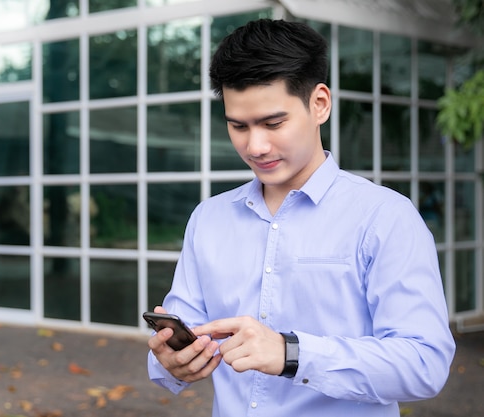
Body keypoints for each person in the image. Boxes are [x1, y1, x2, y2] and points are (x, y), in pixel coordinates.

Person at [146, 19, 455, 416]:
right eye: (238, 126)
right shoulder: (208, 219)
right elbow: (179, 338)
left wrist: (292, 354)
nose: (255, 146)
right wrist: (170, 364)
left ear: (319, 104)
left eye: (274, 123)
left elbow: (424, 364)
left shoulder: (385, 218)